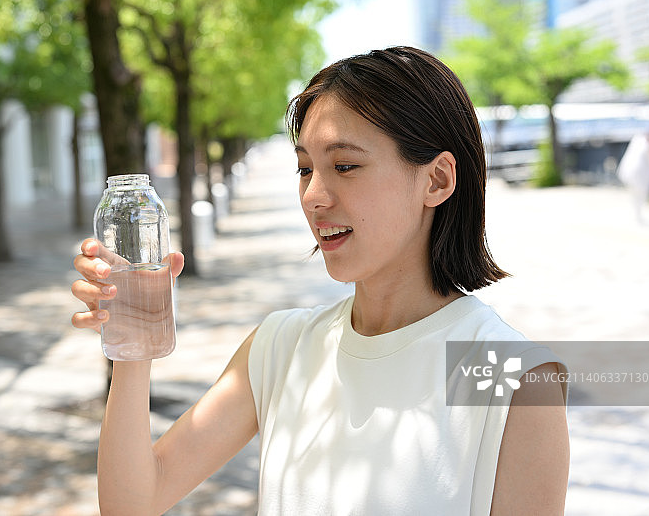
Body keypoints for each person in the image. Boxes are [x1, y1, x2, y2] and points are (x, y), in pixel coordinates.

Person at [72, 47, 569, 515]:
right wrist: (132, 343)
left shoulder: (516, 378)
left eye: (345, 165)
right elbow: (133, 502)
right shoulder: (280, 346)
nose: (313, 196)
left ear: (436, 179)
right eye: (305, 168)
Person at [616, 125, 649, 223]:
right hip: (638, 175)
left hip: (631, 172)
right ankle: (638, 218)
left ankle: (638, 217)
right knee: (639, 196)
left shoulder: (640, 139)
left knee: (637, 196)